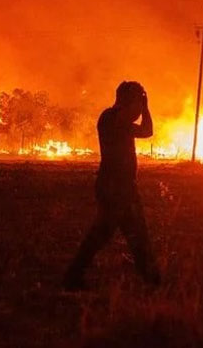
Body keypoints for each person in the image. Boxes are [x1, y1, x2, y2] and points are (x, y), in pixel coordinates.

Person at [63, 81, 160, 290]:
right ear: (126, 101)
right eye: (135, 101)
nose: (137, 108)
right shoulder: (110, 117)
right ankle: (72, 277)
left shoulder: (120, 121)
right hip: (114, 188)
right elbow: (142, 127)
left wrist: (144, 107)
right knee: (108, 234)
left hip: (123, 188)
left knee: (133, 235)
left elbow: (147, 131)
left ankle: (152, 279)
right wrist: (141, 107)